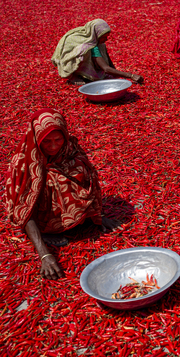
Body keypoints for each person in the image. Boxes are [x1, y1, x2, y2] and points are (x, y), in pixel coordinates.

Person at [4, 109, 120, 280]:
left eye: (58, 139)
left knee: (80, 167)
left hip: (69, 207)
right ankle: (46, 230)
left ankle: (83, 218)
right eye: (46, 141)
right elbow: (24, 207)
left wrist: (96, 215)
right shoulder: (24, 162)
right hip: (36, 214)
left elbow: (88, 178)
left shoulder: (70, 147)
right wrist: (45, 254)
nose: (53, 146)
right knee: (49, 180)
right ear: (37, 139)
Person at [51, 19, 144, 85]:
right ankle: (75, 77)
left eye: (107, 36)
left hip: (86, 51)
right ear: (96, 34)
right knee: (85, 51)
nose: (106, 39)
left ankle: (87, 74)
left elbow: (109, 64)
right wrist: (131, 75)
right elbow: (106, 68)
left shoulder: (97, 41)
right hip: (70, 62)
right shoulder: (89, 46)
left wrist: (117, 75)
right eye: (104, 37)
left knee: (100, 47)